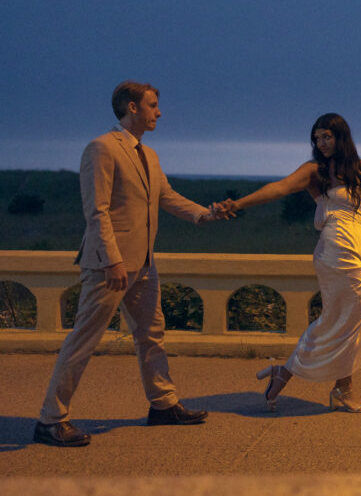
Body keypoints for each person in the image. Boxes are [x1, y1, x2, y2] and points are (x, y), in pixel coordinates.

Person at [35, 81, 228, 448]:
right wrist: (112, 261)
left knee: (151, 333)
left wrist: (207, 215)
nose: (159, 112)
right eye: (153, 105)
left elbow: (166, 197)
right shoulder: (102, 148)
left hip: (143, 263)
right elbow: (97, 211)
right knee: (84, 339)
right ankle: (50, 419)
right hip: (110, 265)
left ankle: (163, 404)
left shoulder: (149, 155)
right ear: (131, 107)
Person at [220, 113, 361, 413]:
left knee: (350, 321)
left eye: (327, 136)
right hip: (336, 251)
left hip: (358, 255)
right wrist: (237, 205)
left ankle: (336, 387)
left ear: (341, 136)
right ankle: (303, 376)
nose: (322, 143)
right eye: (317, 138)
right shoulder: (315, 171)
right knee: (338, 319)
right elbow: (278, 188)